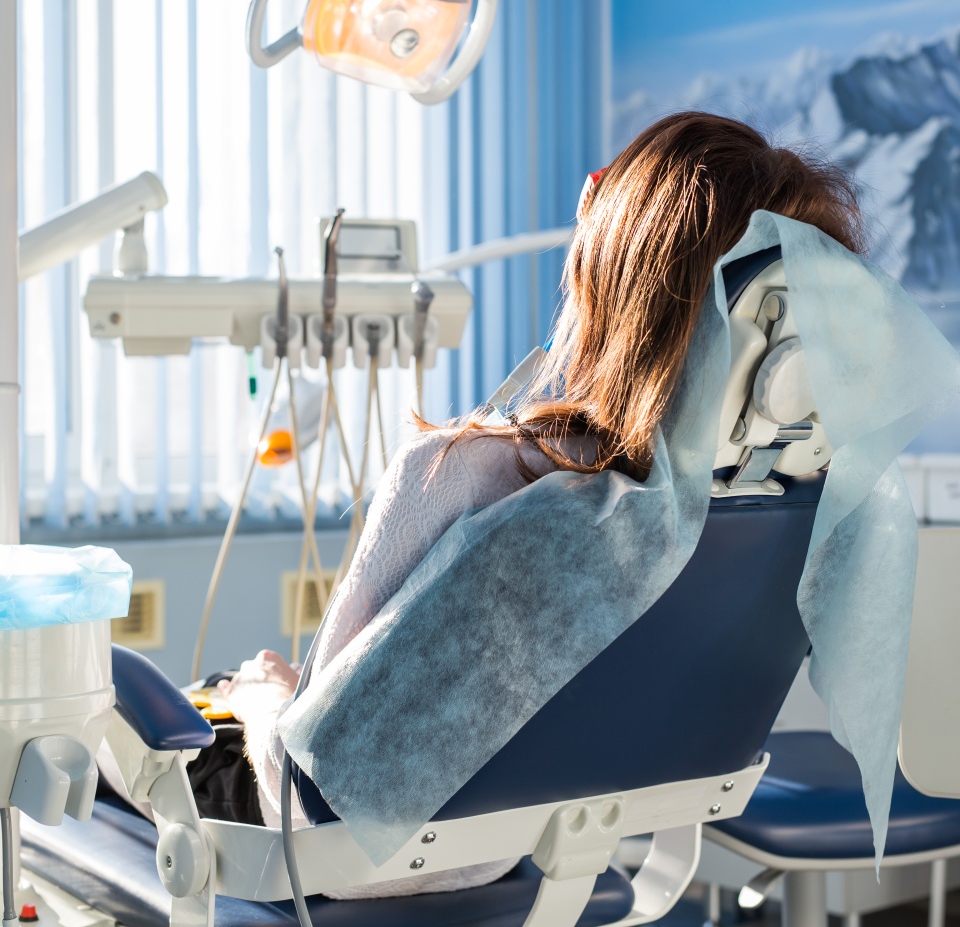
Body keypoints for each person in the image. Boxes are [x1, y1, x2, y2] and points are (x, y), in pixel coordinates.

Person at [216, 111, 865, 898]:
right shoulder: (797, 514)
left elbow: (309, 807)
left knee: (125, 709)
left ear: (610, 284)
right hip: (519, 863)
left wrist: (263, 703)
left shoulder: (459, 473)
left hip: (303, 865)